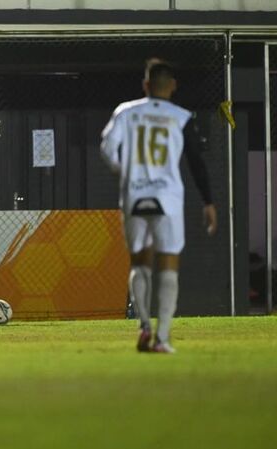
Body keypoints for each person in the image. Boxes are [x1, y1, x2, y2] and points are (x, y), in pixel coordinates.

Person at [100, 59, 217, 353]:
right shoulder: (181, 116)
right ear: (173, 86)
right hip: (168, 198)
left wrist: (121, 170)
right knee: (168, 263)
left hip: (134, 195)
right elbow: (195, 161)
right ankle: (162, 338)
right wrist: (209, 202)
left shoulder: (126, 112)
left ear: (145, 85)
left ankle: (144, 325)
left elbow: (106, 147)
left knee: (140, 261)